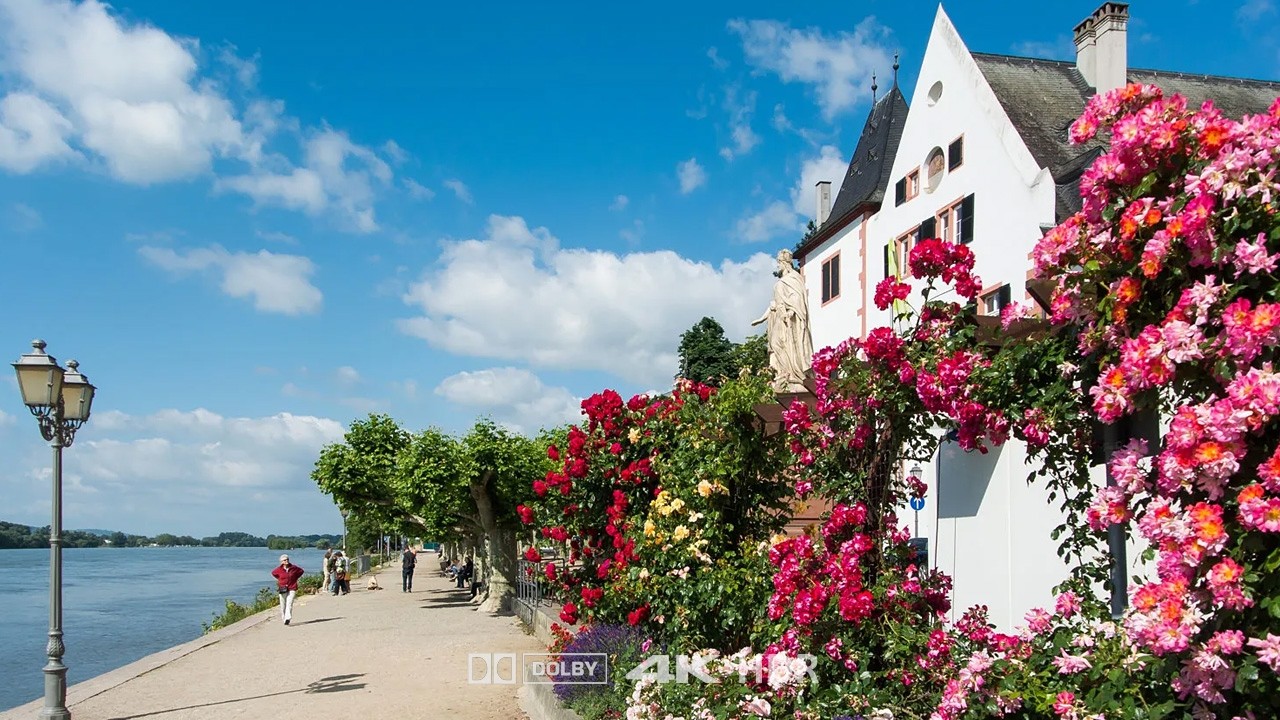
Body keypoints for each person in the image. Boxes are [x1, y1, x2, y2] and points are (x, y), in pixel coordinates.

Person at [751, 248, 814, 393]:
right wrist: (761, 319)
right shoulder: (781, 281)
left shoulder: (793, 279)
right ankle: (783, 373)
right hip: (778, 320)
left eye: (778, 262)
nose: (777, 265)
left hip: (789, 322)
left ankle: (793, 375)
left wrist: (791, 311)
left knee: (786, 345)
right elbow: (774, 304)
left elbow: (797, 299)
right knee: (775, 345)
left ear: (784, 262)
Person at [271, 554, 305, 626]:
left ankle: (288, 617)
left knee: (290, 603)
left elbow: (301, 571)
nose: (286, 561)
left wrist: (295, 578)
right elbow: (273, 573)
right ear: (281, 562)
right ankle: (284, 618)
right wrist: (280, 580)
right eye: (284, 560)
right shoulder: (278, 570)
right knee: (283, 604)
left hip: (292, 587)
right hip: (283, 588)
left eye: (287, 559)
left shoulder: (294, 568)